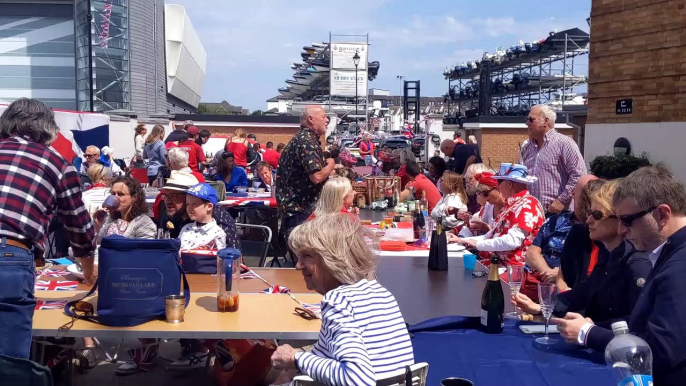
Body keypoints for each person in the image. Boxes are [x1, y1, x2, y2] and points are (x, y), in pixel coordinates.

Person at [554, 166, 686, 385]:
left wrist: (588, 333)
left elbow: (661, 353)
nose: (622, 230)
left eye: (627, 220)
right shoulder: (669, 255)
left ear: (662, 214)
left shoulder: (679, 267)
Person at [0, 98, 96, 359]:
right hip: (10, 256)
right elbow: (78, 227)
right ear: (48, 129)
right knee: (8, 361)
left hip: (12, 254)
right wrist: (88, 273)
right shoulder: (57, 162)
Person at [270, 214, 414, 385]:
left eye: (307, 256)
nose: (298, 266)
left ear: (334, 259)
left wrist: (295, 357)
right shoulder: (381, 292)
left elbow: (357, 379)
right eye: (298, 257)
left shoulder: (337, 300)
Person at [515, 179, 651, 331]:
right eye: (590, 213)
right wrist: (542, 307)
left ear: (619, 219)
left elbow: (637, 322)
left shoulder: (637, 264)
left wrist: (589, 330)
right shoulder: (608, 254)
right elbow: (583, 292)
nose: (589, 220)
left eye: (597, 215)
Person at [450, 163, 544, 266]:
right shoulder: (512, 205)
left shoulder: (527, 205)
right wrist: (461, 240)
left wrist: (477, 244)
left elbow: (512, 241)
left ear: (509, 184)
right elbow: (490, 236)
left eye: (499, 181)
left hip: (514, 269)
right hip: (498, 263)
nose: (498, 186)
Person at [276, 105, 335, 261]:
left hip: (296, 209)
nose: (327, 120)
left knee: (302, 261)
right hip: (300, 210)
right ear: (311, 119)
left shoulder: (302, 138)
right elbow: (316, 176)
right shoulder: (306, 141)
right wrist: (331, 164)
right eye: (323, 116)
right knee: (305, 263)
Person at [520, 104, 586, 215]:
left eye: (531, 119)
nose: (527, 123)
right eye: (527, 119)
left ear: (546, 121)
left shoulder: (564, 143)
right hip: (531, 214)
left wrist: (562, 200)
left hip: (557, 215)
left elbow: (579, 175)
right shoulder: (527, 147)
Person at [556, 177, 603, 291]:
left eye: (597, 214)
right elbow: (561, 277)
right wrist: (566, 295)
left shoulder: (618, 249)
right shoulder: (578, 233)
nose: (589, 219)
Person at [95, 175, 156, 243]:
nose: (116, 198)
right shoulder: (111, 218)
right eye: (113, 194)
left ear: (134, 198)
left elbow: (144, 249)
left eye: (121, 194)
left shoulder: (144, 222)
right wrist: (98, 225)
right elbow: (98, 243)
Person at [178, 183, 226, 251]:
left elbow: (218, 258)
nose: (189, 208)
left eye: (194, 204)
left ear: (209, 206)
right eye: (187, 204)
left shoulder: (217, 233)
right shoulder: (186, 228)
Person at [456, 172, 503, 237]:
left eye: (485, 193)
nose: (484, 197)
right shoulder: (489, 205)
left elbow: (507, 239)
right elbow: (478, 228)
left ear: (498, 189)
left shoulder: (511, 207)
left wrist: (489, 230)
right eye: (480, 193)